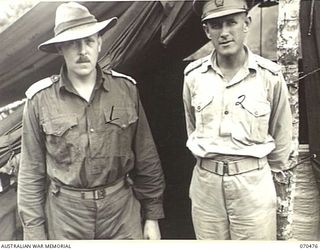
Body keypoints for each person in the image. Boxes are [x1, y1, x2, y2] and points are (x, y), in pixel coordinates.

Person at [18, 2, 165, 240]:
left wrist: (152, 217)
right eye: (73, 44)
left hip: (121, 213)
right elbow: (31, 174)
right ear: (60, 49)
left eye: (89, 41)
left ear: (99, 43)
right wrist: (34, 234)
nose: (82, 51)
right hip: (67, 216)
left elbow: (146, 157)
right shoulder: (40, 99)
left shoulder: (126, 89)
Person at [183, 0, 292, 240]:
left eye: (231, 22)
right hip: (206, 186)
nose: (224, 33)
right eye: (215, 25)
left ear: (246, 23)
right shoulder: (193, 77)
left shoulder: (269, 77)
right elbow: (192, 127)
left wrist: (261, 176)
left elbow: (282, 138)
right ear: (206, 31)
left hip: (253, 186)